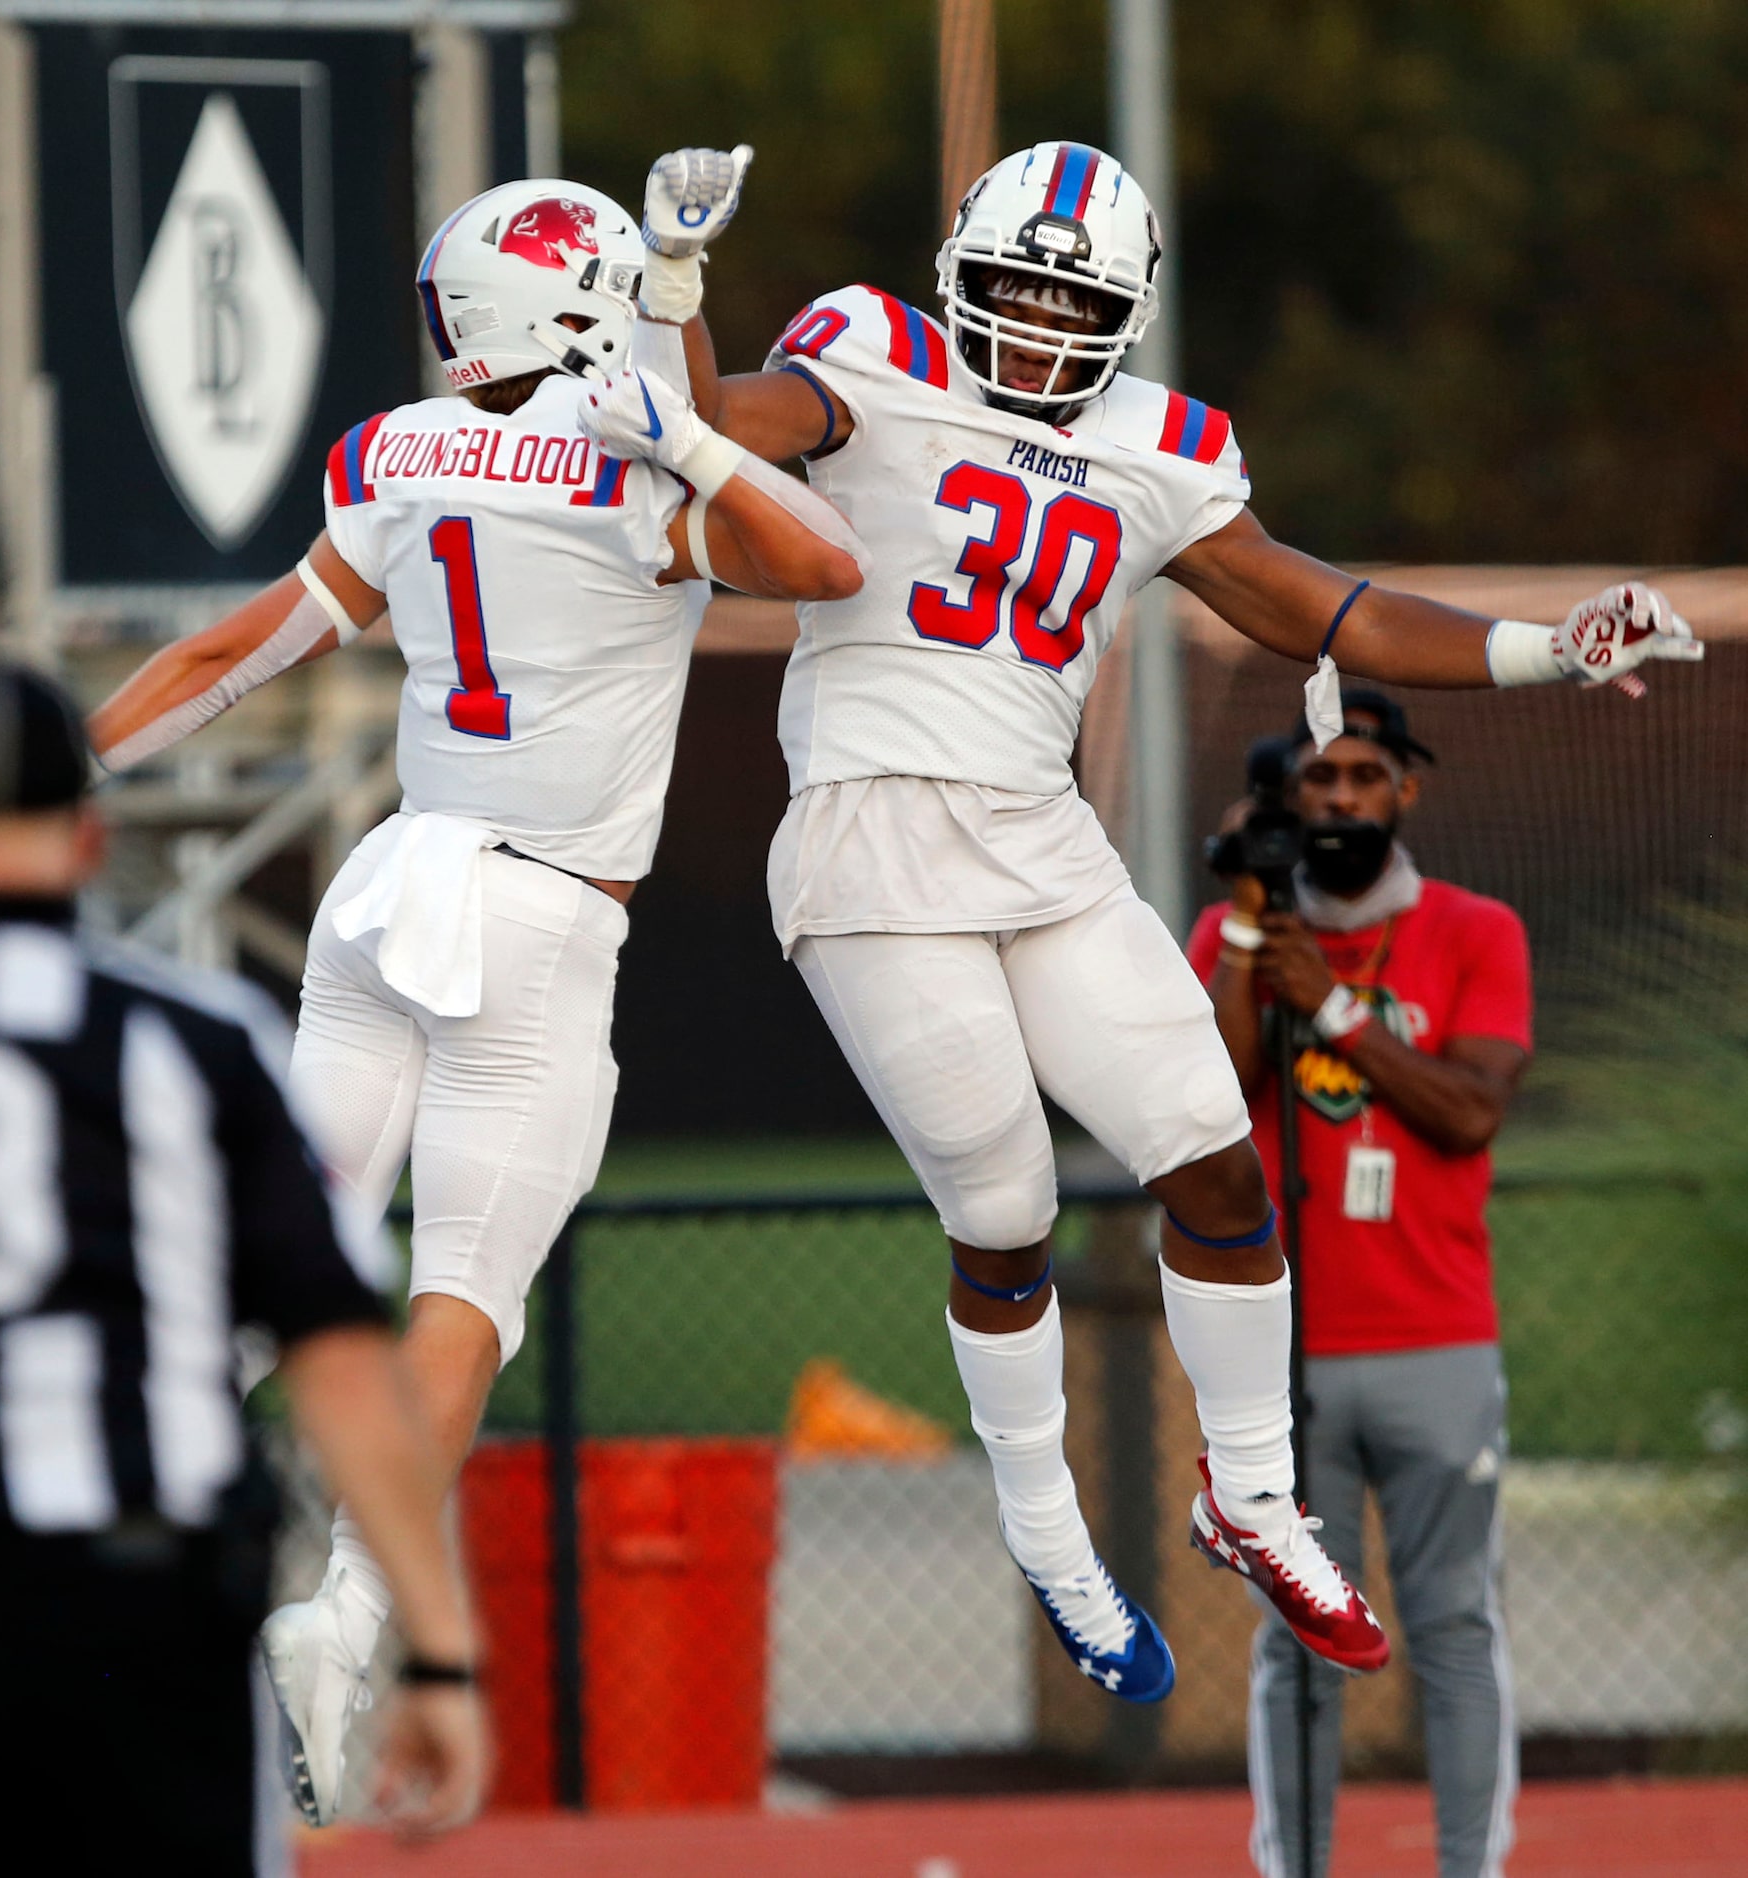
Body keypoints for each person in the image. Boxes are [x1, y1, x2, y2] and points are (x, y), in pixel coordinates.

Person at [660, 137, 1699, 1699]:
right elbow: (706, 423)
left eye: (1061, 299)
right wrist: (676, 282)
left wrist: (1545, 649)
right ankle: (1045, 1527)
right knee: (1001, 1205)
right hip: (871, 838)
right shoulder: (872, 346)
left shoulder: (1161, 444)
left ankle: (1253, 1495)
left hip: (1044, 842)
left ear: (1127, 311)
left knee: (1213, 1157)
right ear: (960, 273)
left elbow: (1316, 604)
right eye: (1007, 289)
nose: (1026, 325)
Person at [88, 159, 864, 1824]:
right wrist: (701, 436)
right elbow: (827, 567)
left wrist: (29, 786)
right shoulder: (638, 476)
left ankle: (60, 1488)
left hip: (387, 892)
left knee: (267, 1261)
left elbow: (231, 655)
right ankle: (347, 1614)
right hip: (536, 919)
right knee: (464, 1297)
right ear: (581, 305)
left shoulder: (396, 451)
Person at [0, 662, 487, 1873]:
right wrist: (441, 1650)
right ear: (88, 842)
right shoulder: (190, 1042)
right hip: (139, 1600)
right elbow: (339, 1360)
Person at [1188, 691, 1526, 1878]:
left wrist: (1327, 1006)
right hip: (1288, 1354)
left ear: (1405, 790)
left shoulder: (1476, 930)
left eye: (1364, 777)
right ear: (1285, 799)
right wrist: (1246, 929)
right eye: (1317, 779)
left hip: (1435, 1335)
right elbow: (1214, 1097)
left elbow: (1469, 1113)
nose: (1339, 800)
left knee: (1451, 1626)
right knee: (1297, 1638)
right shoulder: (1236, 935)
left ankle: (1467, 1867)